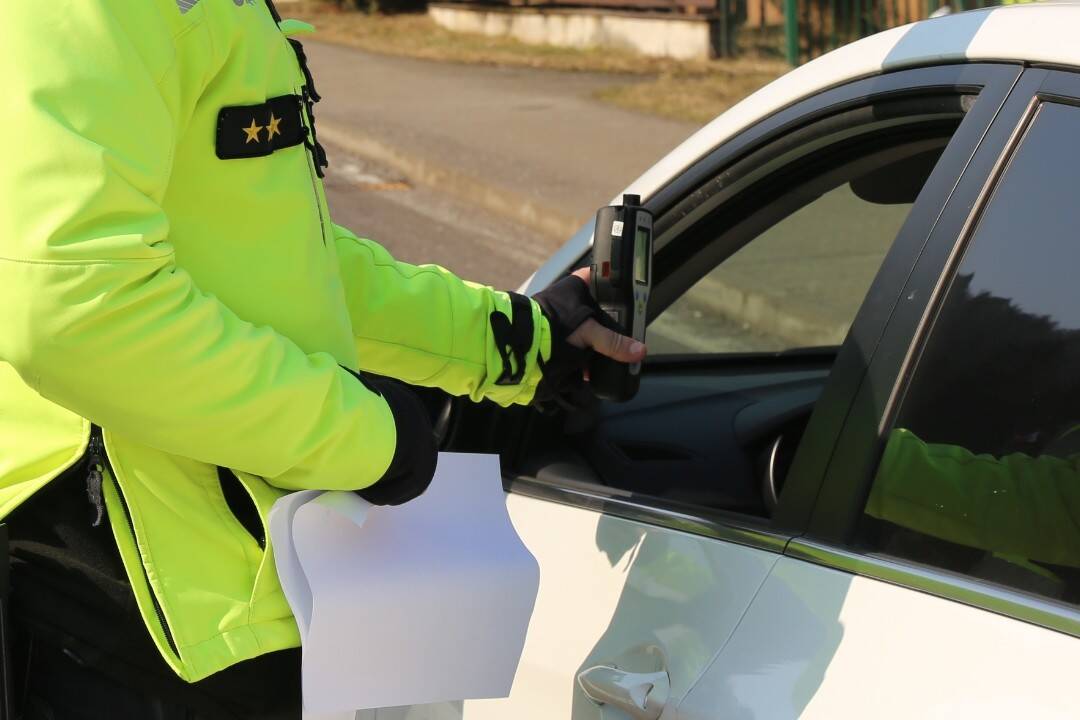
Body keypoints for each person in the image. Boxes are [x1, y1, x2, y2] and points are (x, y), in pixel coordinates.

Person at [0, 1, 644, 717]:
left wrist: (516, 340)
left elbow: (284, 260)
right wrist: (366, 440)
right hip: (127, 614)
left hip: (223, 602)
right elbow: (79, 307)